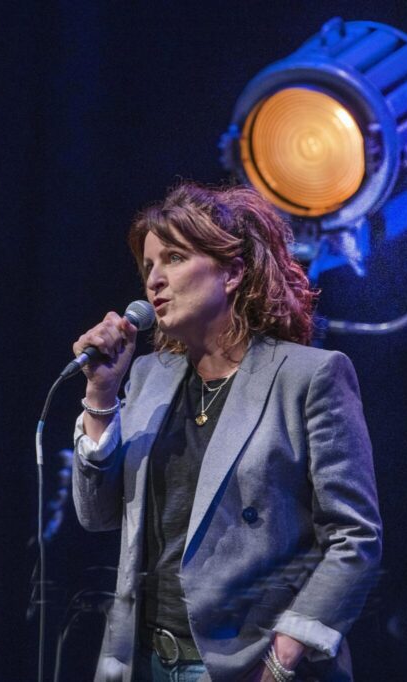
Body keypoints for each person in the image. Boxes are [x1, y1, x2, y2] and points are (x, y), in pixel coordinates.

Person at [71, 182, 382, 682]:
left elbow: (354, 536)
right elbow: (97, 514)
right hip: (145, 660)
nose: (155, 280)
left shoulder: (309, 377)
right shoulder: (148, 376)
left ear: (233, 273)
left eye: (174, 258)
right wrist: (101, 396)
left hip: (246, 663)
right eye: (148, 266)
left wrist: (283, 657)